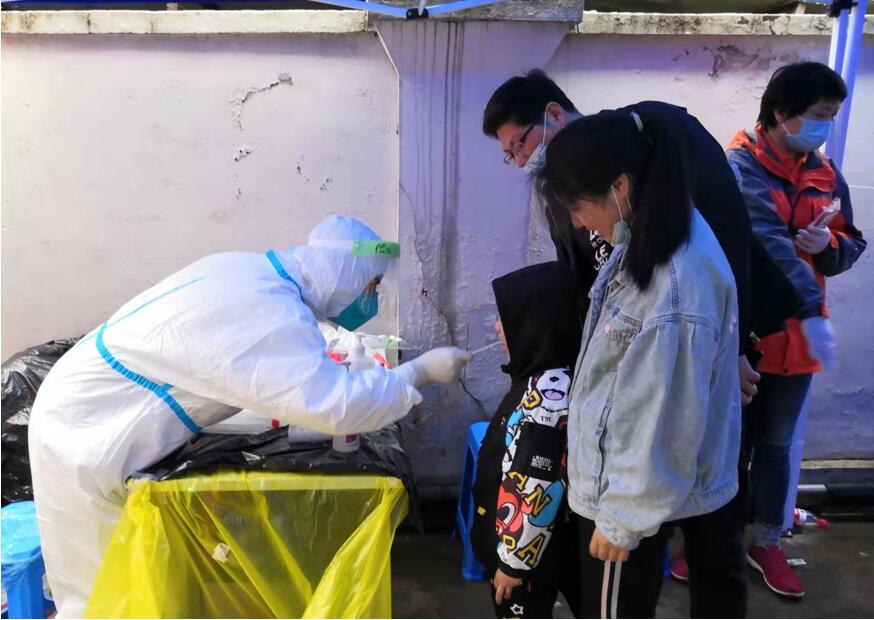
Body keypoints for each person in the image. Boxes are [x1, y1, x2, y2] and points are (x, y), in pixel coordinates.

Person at [28, 214, 471, 617]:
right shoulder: (270, 311)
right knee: (106, 591)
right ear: (346, 273)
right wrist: (418, 372)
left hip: (95, 413)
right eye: (371, 286)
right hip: (86, 429)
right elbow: (336, 405)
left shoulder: (253, 275)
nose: (371, 299)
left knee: (135, 582)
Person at [536, 112, 746, 618]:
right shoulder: (652, 234)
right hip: (627, 484)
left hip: (625, 497)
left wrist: (621, 519)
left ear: (620, 187)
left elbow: (662, 416)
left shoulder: (674, 288)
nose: (577, 223)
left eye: (578, 207)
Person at [482, 69, 763, 407]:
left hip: (698, 337)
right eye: (510, 155)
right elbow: (579, 283)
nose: (520, 162)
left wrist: (734, 346)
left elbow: (729, 229)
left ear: (554, 114)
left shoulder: (645, 133)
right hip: (634, 359)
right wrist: (524, 325)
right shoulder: (555, 195)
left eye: (520, 145)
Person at [725, 62, 866, 599]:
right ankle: (715, 541)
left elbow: (851, 244)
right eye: (819, 115)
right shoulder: (740, 166)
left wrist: (828, 247)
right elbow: (763, 240)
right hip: (745, 335)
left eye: (832, 116)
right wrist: (809, 305)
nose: (826, 127)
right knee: (729, 445)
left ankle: (766, 542)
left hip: (799, 341)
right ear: (781, 113)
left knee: (777, 445)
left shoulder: (826, 173)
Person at [470, 262, 583, 619]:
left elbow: (535, 484)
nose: (497, 328)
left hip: (524, 560)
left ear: (536, 323)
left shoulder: (547, 399)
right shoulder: (541, 374)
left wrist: (513, 564)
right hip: (521, 550)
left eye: (505, 318)